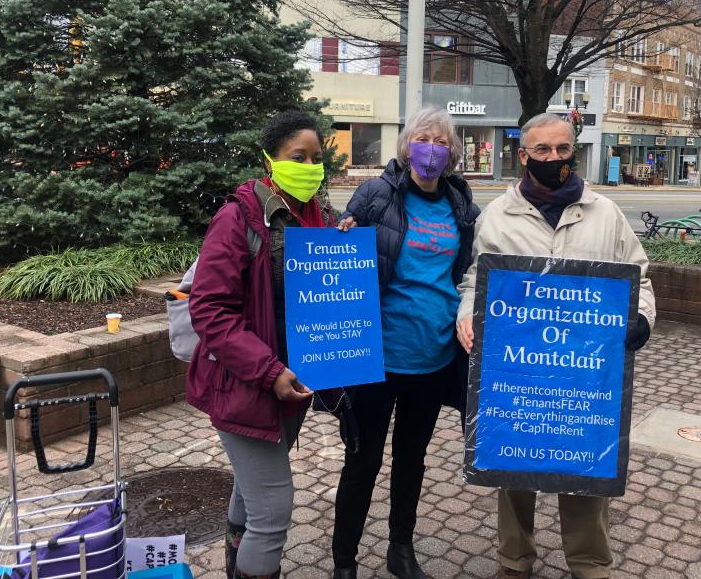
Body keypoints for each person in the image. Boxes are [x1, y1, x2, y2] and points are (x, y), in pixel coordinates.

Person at [456, 112, 655, 579]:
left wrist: (640, 319)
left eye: (563, 149)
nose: (554, 159)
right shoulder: (499, 216)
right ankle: (514, 560)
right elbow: (475, 278)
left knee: (586, 467)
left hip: (586, 368)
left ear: (574, 150)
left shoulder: (604, 212)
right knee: (512, 466)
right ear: (523, 156)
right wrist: (468, 314)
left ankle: (589, 564)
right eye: (542, 151)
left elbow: (637, 274)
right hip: (516, 367)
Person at [332, 106, 481, 579]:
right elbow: (339, 252)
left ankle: (401, 549)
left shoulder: (460, 203)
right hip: (377, 356)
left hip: (434, 357)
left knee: (411, 460)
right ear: (406, 144)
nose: (431, 148)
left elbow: (474, 267)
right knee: (362, 461)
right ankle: (344, 562)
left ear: (453, 151)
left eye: (441, 140)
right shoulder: (377, 193)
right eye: (423, 138)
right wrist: (341, 235)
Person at [186, 110, 335, 579]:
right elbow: (209, 309)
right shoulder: (239, 218)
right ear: (271, 159)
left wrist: (344, 249)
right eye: (298, 156)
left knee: (251, 495)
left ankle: (235, 565)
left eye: (316, 157)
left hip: (294, 385)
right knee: (272, 510)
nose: (310, 166)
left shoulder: (320, 220)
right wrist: (269, 371)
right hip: (246, 386)